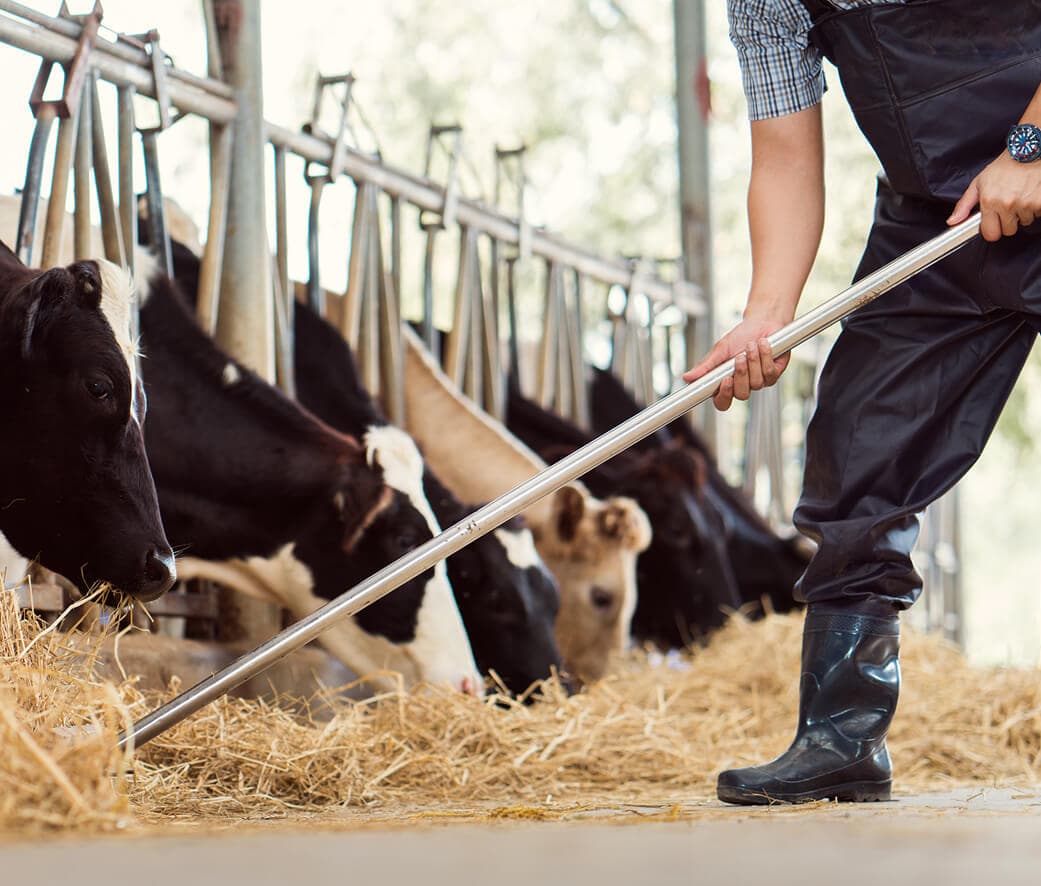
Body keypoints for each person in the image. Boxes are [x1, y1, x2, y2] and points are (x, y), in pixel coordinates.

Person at [682, 0, 1041, 805]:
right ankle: (839, 738)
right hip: (938, 222)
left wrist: (1029, 144)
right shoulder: (764, 4)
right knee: (858, 449)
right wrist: (766, 312)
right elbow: (781, 160)